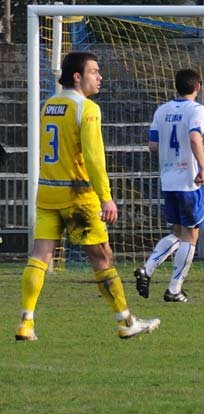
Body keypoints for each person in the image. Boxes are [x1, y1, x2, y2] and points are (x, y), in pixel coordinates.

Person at [16, 52, 160, 341]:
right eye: (94, 71)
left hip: (47, 192)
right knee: (102, 257)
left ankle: (26, 322)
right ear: (77, 76)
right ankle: (126, 321)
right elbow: (95, 159)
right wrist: (105, 197)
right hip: (78, 196)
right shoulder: (88, 108)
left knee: (40, 256)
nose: (100, 76)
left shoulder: (49, 105)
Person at [134, 69, 204, 303]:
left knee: (177, 232)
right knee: (191, 235)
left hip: (169, 180)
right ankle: (174, 289)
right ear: (198, 86)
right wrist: (203, 167)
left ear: (176, 87)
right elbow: (195, 137)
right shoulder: (197, 109)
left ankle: (147, 268)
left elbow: (152, 146)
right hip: (190, 180)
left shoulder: (161, 110)